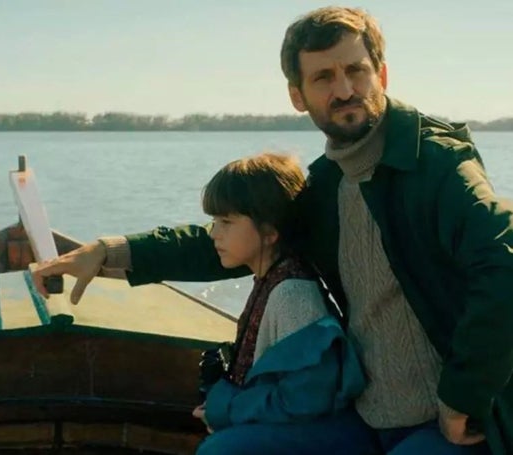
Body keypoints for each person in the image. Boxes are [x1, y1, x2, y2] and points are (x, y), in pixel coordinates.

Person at [33, 6, 513, 455]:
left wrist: (463, 396)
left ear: (381, 75)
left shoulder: (437, 163)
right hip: (365, 415)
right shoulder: (325, 185)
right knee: (223, 450)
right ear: (298, 96)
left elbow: (503, 265)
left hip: (447, 421)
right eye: (324, 77)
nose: (345, 89)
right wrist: (110, 252)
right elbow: (239, 237)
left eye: (356, 71)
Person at [190, 153, 372, 454]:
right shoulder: (269, 278)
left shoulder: (292, 295)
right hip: (306, 425)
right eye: (214, 222)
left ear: (270, 232)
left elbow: (307, 398)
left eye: (226, 222)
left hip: (331, 434)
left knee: (218, 451)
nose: (214, 234)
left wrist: (228, 408)